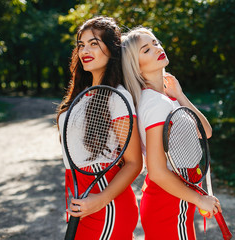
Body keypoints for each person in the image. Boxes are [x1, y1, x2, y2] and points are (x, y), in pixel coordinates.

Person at [121, 27, 222, 239]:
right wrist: (199, 199)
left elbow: (206, 132)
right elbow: (156, 170)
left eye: (155, 42)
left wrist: (179, 94)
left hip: (178, 197)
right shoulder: (154, 104)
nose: (157, 48)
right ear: (136, 66)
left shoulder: (166, 98)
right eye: (146, 50)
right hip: (166, 202)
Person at [56, 16, 142, 240]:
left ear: (112, 50)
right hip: (81, 197)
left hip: (107, 205)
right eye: (81, 45)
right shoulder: (82, 94)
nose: (85, 50)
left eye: (94, 43)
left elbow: (134, 163)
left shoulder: (117, 96)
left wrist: (99, 200)